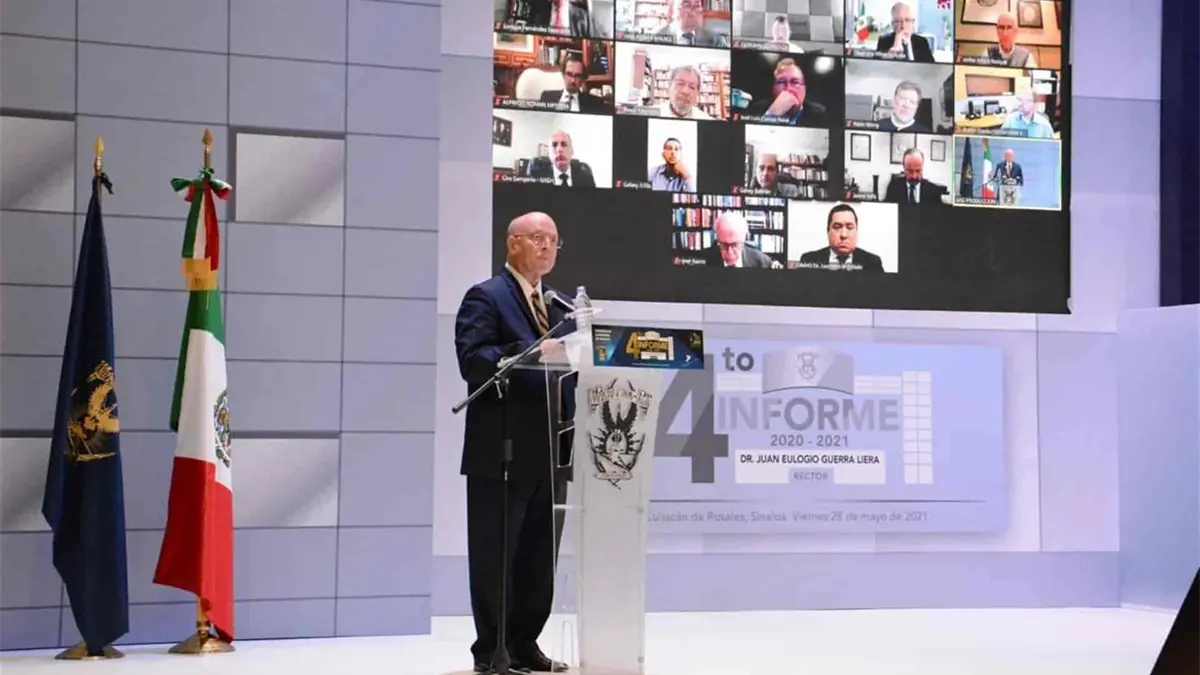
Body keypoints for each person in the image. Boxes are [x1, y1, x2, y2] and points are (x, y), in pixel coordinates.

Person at [454, 211, 574, 674]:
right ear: (512, 243)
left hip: (552, 450)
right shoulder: (486, 297)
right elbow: (473, 360)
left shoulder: (560, 308)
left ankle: (525, 644)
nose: (547, 247)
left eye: (553, 240)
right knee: (496, 555)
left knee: (539, 559)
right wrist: (526, 353)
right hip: (501, 451)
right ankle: (493, 651)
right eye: (538, 237)